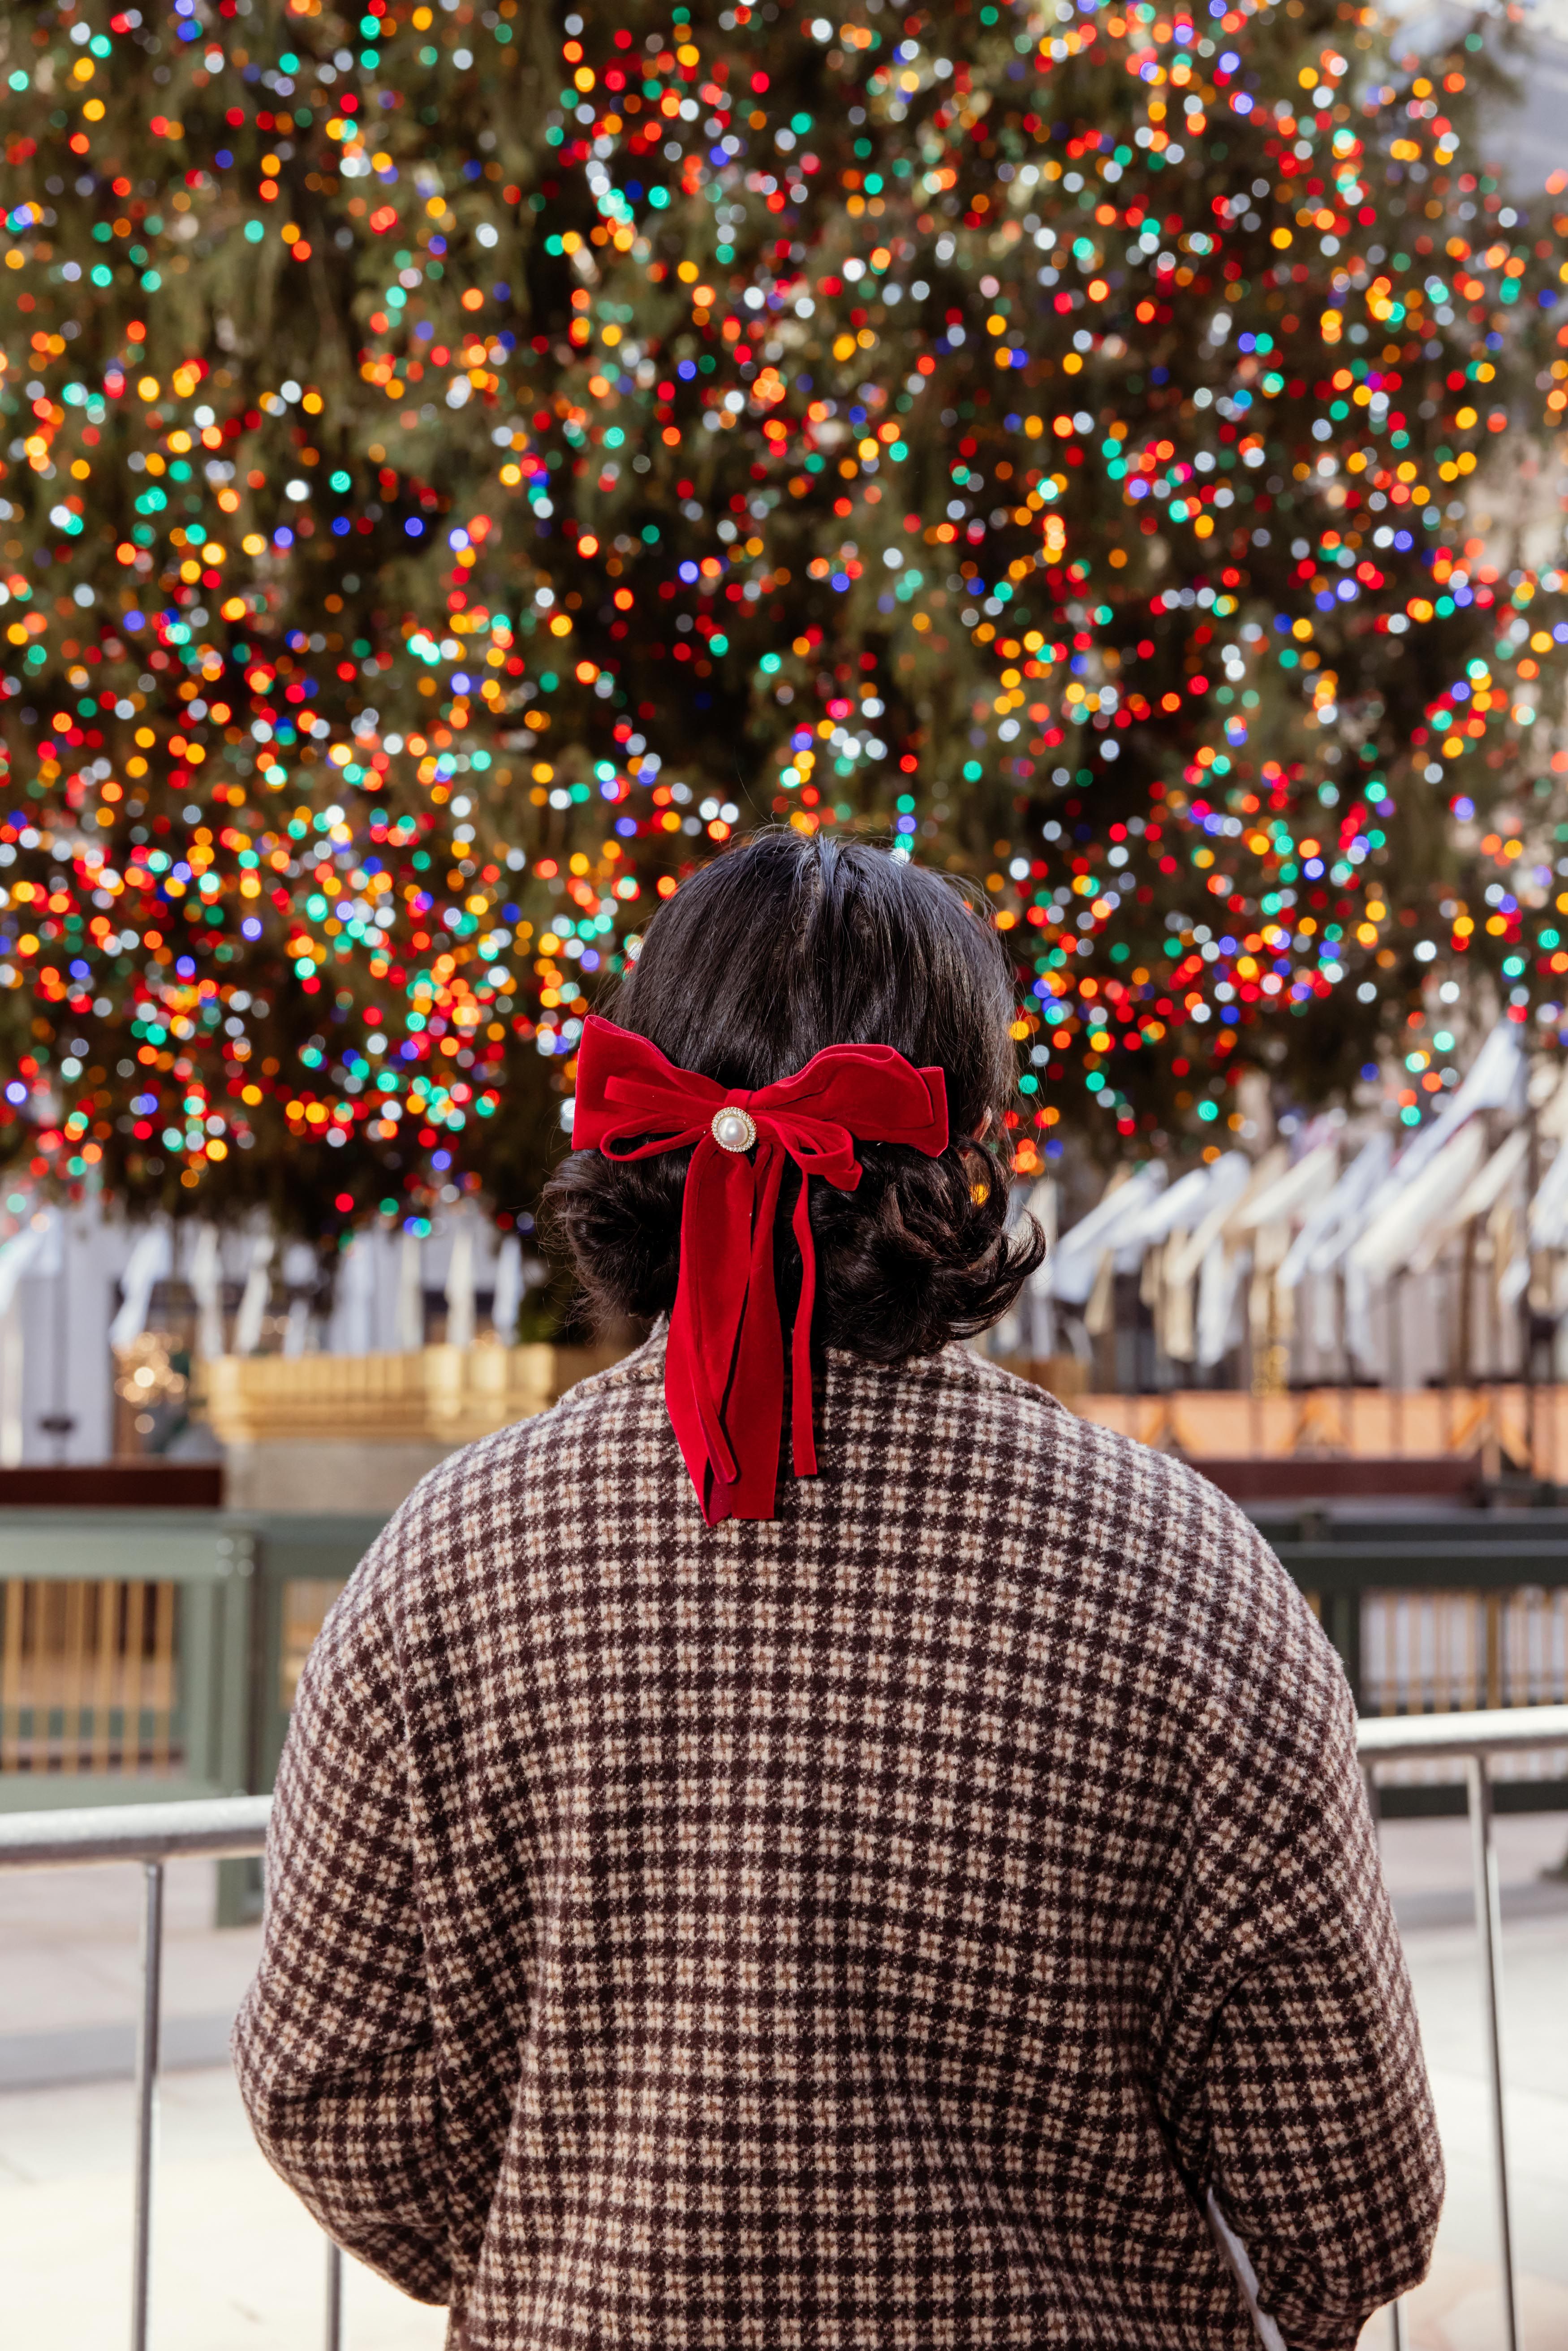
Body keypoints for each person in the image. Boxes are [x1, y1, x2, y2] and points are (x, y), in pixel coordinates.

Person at [235, 831, 1442, 2350]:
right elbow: (1357, 2199)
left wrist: (583, 2245)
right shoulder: (1190, 1575)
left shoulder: (440, 1560)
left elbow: (327, 2087)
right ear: (974, 1144)